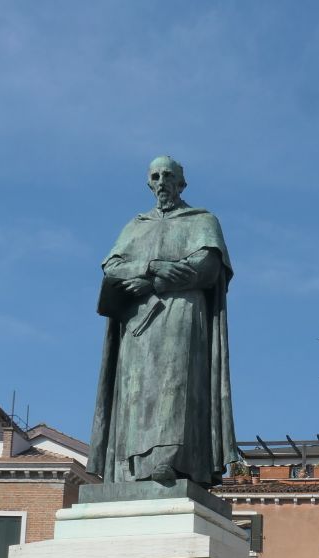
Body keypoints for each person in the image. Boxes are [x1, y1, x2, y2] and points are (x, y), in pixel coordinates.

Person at [88, 156, 235, 489]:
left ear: (182, 183)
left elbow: (207, 267)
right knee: (136, 391)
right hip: (138, 321)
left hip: (181, 312)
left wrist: (154, 283)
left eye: (169, 175)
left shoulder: (202, 221)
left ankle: (170, 459)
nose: (162, 182)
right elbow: (112, 267)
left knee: (175, 382)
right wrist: (152, 267)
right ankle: (130, 467)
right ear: (149, 183)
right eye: (155, 176)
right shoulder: (135, 226)